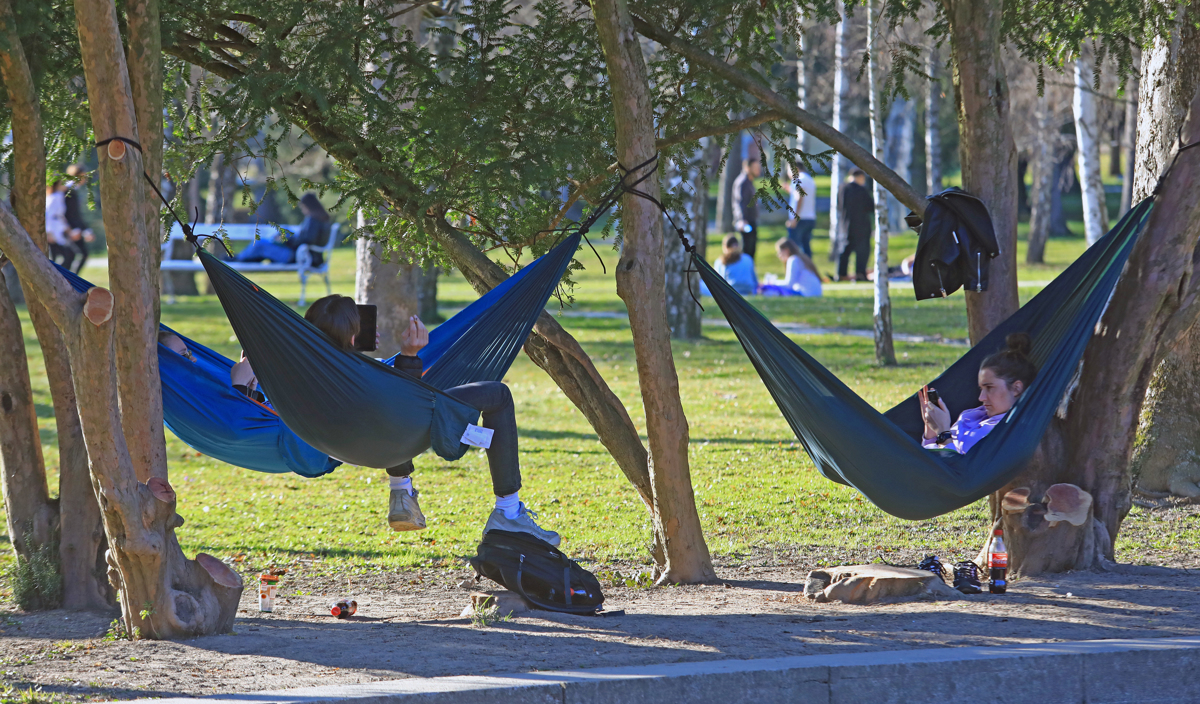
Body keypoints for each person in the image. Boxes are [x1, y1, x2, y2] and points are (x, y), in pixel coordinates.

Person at [303, 294, 560, 545]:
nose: (372, 329)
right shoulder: (363, 372)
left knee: (408, 402)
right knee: (498, 394)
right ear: (349, 334)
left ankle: (401, 492)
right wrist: (410, 354)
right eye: (360, 325)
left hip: (352, 444)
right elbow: (405, 402)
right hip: (396, 432)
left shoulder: (310, 371)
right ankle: (509, 512)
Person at [919, 333, 1038, 454]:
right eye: (981, 388)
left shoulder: (1007, 431)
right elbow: (930, 462)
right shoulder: (971, 416)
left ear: (1016, 388)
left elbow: (957, 470)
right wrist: (932, 432)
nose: (981, 398)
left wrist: (943, 432)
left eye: (989, 387)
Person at [234, 192, 332, 264]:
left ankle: (239, 259)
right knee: (273, 237)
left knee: (260, 243)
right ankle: (242, 257)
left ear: (309, 206)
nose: (302, 210)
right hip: (305, 255)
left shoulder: (313, 220)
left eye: (303, 207)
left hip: (298, 256)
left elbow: (306, 240)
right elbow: (306, 238)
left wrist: (286, 240)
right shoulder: (322, 219)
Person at [837, 169, 874, 281]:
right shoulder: (862, 190)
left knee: (845, 250)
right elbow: (870, 207)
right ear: (860, 177)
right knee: (862, 251)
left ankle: (841, 274)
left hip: (846, 225)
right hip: (862, 226)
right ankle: (860, 274)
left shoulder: (842, 188)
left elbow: (839, 206)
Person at [64, 165, 95, 273]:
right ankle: (70, 281)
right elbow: (70, 214)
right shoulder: (68, 191)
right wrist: (76, 230)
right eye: (84, 175)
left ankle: (69, 280)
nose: (85, 178)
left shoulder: (72, 190)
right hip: (68, 229)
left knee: (71, 256)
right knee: (73, 256)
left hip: (73, 228)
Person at [731, 157, 761, 260]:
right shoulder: (743, 182)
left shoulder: (749, 181)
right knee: (746, 251)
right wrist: (742, 219)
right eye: (755, 167)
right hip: (746, 222)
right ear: (747, 168)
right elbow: (740, 202)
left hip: (750, 220)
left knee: (751, 251)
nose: (758, 169)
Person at [785, 165, 818, 257]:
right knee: (806, 248)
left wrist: (795, 217)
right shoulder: (809, 179)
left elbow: (800, 197)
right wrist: (790, 190)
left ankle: (795, 269)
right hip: (810, 218)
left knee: (793, 247)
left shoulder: (798, 179)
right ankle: (808, 269)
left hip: (800, 219)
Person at [45, 180, 74, 271]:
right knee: (63, 255)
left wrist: (67, 228)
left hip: (59, 227)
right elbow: (48, 215)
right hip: (53, 229)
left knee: (66, 255)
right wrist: (49, 232)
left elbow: (61, 215)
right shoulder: (54, 197)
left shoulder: (60, 196)